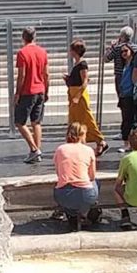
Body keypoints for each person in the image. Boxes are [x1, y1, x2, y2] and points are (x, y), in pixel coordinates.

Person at [52, 121, 101, 230]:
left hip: (63, 195)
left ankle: (70, 214)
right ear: (82, 135)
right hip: (85, 195)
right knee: (96, 182)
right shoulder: (89, 150)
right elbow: (92, 176)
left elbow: (59, 173)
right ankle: (89, 211)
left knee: (60, 184)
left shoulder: (60, 149)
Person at [13, 29, 50, 164]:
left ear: (23, 37)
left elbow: (22, 75)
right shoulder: (42, 52)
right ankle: (36, 151)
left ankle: (34, 149)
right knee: (36, 122)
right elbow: (46, 74)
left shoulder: (22, 53)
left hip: (27, 91)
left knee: (19, 122)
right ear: (35, 37)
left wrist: (17, 93)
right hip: (40, 89)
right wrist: (46, 90)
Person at [63, 39, 96, 140]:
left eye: (71, 50)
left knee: (86, 117)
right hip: (73, 92)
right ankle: (75, 138)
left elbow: (85, 81)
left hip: (79, 94)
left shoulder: (82, 64)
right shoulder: (77, 64)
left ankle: (99, 139)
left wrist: (77, 96)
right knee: (74, 118)